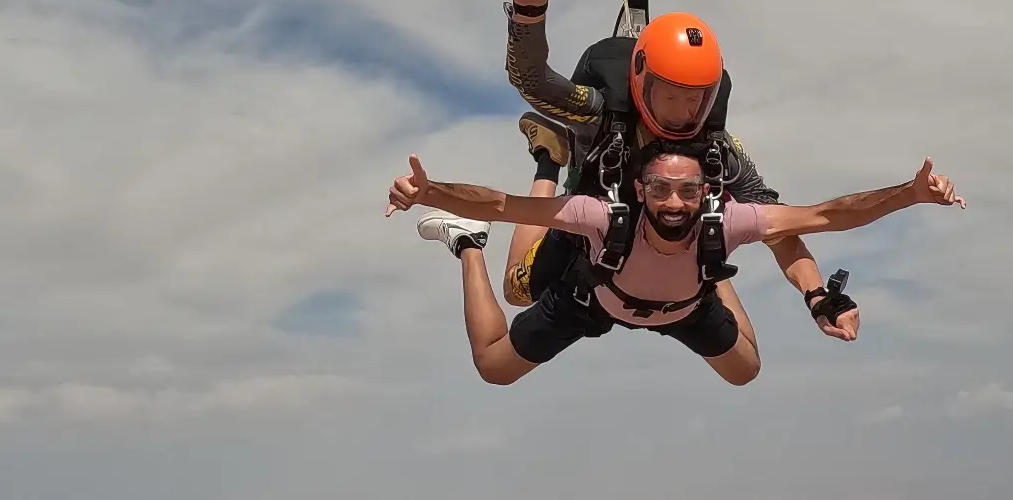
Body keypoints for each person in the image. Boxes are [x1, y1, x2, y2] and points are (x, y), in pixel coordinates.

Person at [498, 0, 861, 341]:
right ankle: (549, 158)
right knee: (518, 291)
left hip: (667, 241)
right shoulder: (601, 112)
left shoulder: (719, 149)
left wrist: (816, 294)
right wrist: (529, 11)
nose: (682, 113)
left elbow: (779, 227)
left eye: (696, 98)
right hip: (593, 221)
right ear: (639, 82)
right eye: (668, 95)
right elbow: (532, 82)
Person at [384, 145, 965, 386]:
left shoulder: (728, 218)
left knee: (746, 370)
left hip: (686, 305)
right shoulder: (602, 215)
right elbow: (504, 206)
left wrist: (908, 194)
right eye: (660, 190)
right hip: (596, 299)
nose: (673, 204)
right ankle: (468, 248)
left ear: (705, 191)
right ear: (640, 188)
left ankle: (712, 275)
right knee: (494, 366)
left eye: (688, 192)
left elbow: (826, 216)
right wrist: (433, 194)